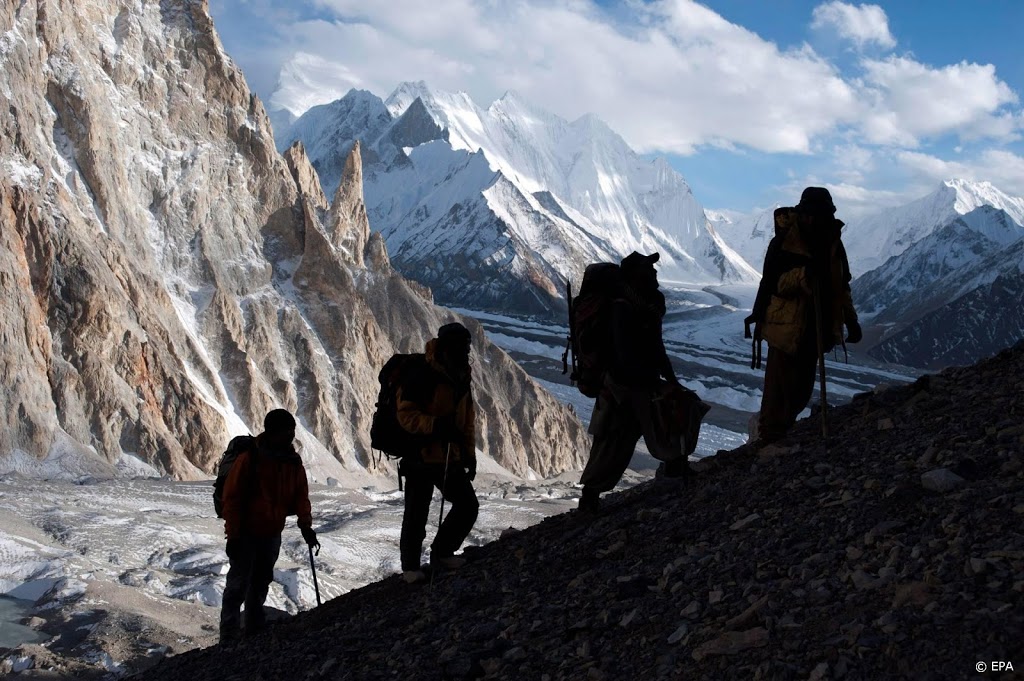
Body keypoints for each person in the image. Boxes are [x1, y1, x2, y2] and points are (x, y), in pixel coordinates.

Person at [578, 251, 692, 513]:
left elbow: (655, 345)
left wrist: (670, 379)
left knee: (624, 435)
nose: (654, 274)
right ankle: (590, 497)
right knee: (622, 437)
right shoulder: (624, 307)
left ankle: (675, 468)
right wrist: (650, 382)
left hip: (633, 381)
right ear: (635, 276)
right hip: (624, 384)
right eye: (648, 270)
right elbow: (625, 351)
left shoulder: (643, 306)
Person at [747, 187, 861, 444]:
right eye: (811, 215)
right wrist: (803, 276)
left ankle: (782, 432)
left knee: (800, 391)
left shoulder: (832, 243)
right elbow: (774, 284)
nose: (814, 220)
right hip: (786, 328)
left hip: (815, 328)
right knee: (779, 390)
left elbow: (841, 285)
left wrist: (851, 320)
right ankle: (769, 440)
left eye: (820, 215)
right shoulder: (784, 242)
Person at [219, 409, 319, 643]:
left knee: (260, 581)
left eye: (292, 431)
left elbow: (300, 496)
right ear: (273, 432)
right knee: (238, 585)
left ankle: (253, 628)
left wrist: (306, 526)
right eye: (287, 431)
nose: (291, 436)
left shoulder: (292, 461)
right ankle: (229, 636)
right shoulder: (250, 459)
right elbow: (232, 499)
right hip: (246, 533)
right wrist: (233, 536)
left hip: (271, 532)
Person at [395, 322, 479, 584]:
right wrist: (435, 426)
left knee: (468, 505)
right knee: (416, 516)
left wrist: (469, 454)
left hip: (448, 457)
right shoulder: (422, 374)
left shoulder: (461, 375)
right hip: (420, 456)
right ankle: (411, 568)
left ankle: (442, 553)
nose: (466, 352)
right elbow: (405, 415)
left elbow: (467, 420)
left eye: (467, 347)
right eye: (462, 347)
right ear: (447, 347)